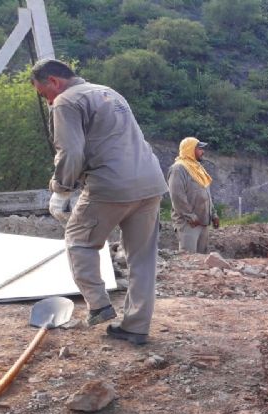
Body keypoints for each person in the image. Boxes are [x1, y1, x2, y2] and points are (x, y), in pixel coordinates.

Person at [30, 59, 167, 345]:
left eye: (44, 94)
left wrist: (61, 189)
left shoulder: (66, 101)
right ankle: (136, 327)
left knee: (79, 241)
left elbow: (70, 151)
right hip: (150, 182)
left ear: (54, 82)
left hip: (111, 185)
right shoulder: (109, 92)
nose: (48, 101)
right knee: (142, 259)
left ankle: (99, 305)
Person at [168, 137, 219, 254]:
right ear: (190, 149)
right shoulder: (178, 169)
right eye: (199, 148)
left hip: (203, 221)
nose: (203, 151)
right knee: (189, 258)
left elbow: (206, 195)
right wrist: (190, 215)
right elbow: (177, 196)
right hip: (188, 223)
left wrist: (213, 214)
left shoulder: (198, 168)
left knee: (201, 260)